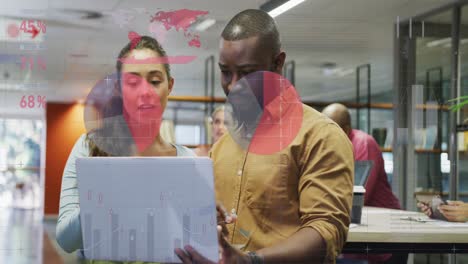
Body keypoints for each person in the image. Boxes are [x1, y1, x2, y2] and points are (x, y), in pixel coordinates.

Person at [175, 9, 354, 264]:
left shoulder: (320, 136)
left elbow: (325, 233)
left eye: (248, 73)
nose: (234, 86)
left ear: (277, 64)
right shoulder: (223, 146)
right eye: (226, 72)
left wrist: (250, 261)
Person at [56, 36, 194, 258]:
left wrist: (209, 226)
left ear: (170, 86)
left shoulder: (187, 160)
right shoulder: (89, 147)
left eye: (155, 81)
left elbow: (193, 242)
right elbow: (65, 240)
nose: (145, 91)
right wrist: (107, 196)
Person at [322, 103, 402, 263]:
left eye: (330, 128)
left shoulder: (363, 142)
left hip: (382, 225)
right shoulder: (333, 145)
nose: (324, 133)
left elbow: (358, 193)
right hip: (359, 227)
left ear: (345, 129)